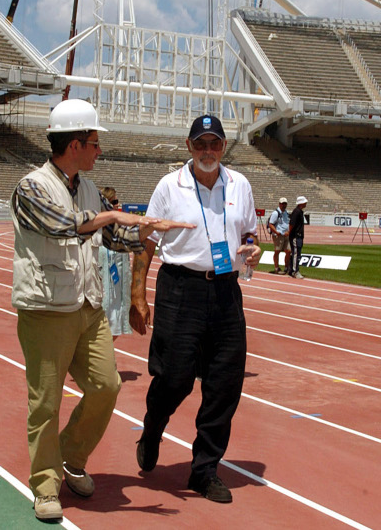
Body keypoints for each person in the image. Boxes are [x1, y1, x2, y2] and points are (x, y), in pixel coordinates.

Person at [10, 99, 192, 522]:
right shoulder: (31, 186)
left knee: (106, 386)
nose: (98, 151)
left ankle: (71, 457)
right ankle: (45, 485)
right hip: (46, 308)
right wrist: (112, 215)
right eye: (94, 143)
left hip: (87, 305)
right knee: (46, 401)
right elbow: (61, 224)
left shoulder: (87, 187)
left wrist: (150, 235)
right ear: (74, 144)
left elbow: (110, 239)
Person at [130, 114, 261, 504]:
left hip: (225, 292)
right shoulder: (170, 186)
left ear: (223, 148)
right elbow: (147, 241)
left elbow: (250, 232)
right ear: (188, 146)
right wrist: (138, 296)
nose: (208, 151)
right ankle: (153, 427)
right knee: (175, 377)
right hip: (180, 290)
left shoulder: (240, 184)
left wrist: (254, 247)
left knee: (224, 383)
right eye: (200, 143)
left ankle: (204, 470)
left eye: (215, 144)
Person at [98, 187, 133, 337]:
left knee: (115, 328)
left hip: (118, 289)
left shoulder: (120, 229)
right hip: (101, 289)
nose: (117, 205)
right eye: (114, 202)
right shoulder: (94, 229)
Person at [285, 195, 308, 279]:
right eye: (304, 202)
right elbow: (292, 223)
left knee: (295, 253)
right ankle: (295, 271)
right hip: (296, 236)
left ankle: (291, 270)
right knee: (296, 254)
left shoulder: (300, 211)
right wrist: (289, 232)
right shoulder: (297, 211)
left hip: (299, 236)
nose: (306, 203)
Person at [266, 197, 290, 274]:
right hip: (278, 235)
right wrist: (276, 232)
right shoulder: (275, 213)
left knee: (288, 251)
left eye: (285, 204)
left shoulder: (286, 212)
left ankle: (286, 267)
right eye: (282, 204)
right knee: (277, 251)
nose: (284, 205)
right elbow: (271, 224)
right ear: (279, 204)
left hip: (286, 234)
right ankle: (277, 268)